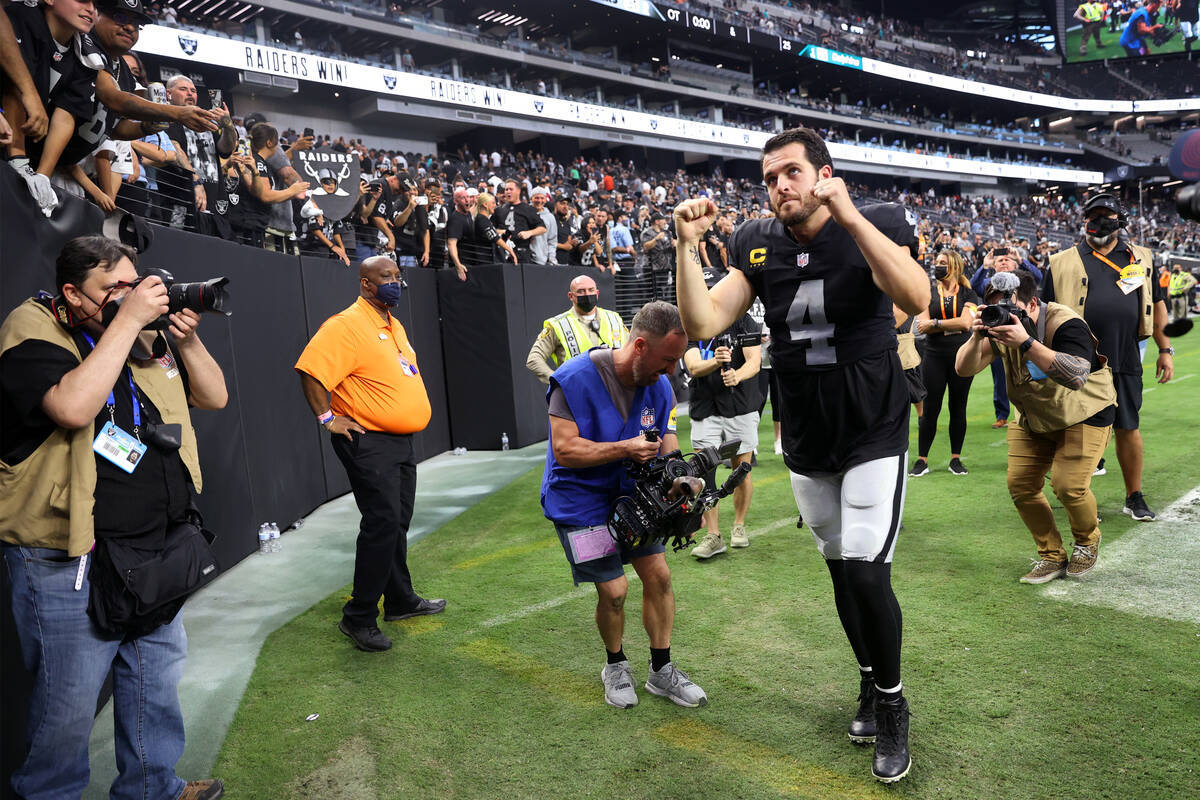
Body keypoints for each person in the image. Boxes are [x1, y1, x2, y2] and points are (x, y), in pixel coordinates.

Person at [672, 127, 929, 783]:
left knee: (870, 569)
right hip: (808, 435)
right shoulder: (756, 243)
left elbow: (916, 297)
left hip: (872, 423)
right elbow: (702, 324)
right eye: (768, 178)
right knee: (843, 572)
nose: (778, 186)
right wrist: (683, 247)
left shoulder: (873, 220)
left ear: (823, 174)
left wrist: (848, 215)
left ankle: (895, 708)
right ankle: (869, 680)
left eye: (789, 172)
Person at [0, 235, 228, 800]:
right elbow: (73, 407)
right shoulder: (33, 327)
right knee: (67, 709)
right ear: (73, 294)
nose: (130, 299)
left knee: (155, 683)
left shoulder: (137, 333)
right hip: (68, 553)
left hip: (153, 545)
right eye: (113, 291)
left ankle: (154, 788)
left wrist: (190, 341)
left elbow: (215, 396)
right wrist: (127, 321)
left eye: (133, 284)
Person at [540, 301, 708, 710]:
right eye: (666, 360)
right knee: (614, 590)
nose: (671, 371)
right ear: (638, 346)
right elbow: (564, 450)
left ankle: (661, 671)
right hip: (578, 500)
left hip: (632, 498)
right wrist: (624, 448)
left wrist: (682, 479)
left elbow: (668, 451)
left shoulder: (661, 386)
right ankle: (615, 665)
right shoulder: (574, 379)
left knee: (660, 575)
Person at [294, 257, 446, 652]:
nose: (395, 283)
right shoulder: (345, 324)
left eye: (398, 277)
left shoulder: (392, 323)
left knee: (397, 522)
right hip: (368, 440)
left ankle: (399, 599)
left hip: (398, 441)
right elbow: (310, 371)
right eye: (386, 278)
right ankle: (358, 617)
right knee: (383, 522)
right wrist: (328, 418)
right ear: (366, 284)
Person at [956, 271, 1116, 583]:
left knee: (1068, 485)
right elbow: (964, 369)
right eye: (992, 308)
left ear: (1032, 304)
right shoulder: (997, 327)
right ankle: (1051, 555)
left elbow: (1077, 376)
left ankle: (1087, 540)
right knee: (1021, 485)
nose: (1000, 316)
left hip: (1084, 410)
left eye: (1008, 308)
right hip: (1033, 414)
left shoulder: (1064, 322)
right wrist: (976, 336)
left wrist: (1027, 342)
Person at [1042, 192, 1173, 521]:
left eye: (1106, 214)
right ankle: (1080, 496)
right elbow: (1041, 313)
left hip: (1125, 353)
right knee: (1078, 429)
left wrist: (1165, 349)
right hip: (1077, 361)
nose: (1099, 220)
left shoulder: (1139, 258)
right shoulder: (1060, 262)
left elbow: (1157, 303)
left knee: (1129, 426)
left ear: (1120, 220)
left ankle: (1134, 496)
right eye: (1093, 214)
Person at [684, 314, 762, 558]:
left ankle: (739, 525)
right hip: (705, 406)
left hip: (740, 404)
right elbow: (694, 367)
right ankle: (713, 535)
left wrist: (737, 375)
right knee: (703, 472)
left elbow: (754, 361)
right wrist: (717, 362)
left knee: (741, 469)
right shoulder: (693, 321)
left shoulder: (744, 321)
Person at [910, 249, 979, 477]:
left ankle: (955, 459)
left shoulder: (969, 294)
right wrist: (949, 323)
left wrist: (936, 323)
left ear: (955, 267)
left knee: (958, 407)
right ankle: (922, 460)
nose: (937, 265)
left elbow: (965, 324)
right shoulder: (928, 292)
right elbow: (921, 325)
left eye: (943, 262)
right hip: (934, 355)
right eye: (937, 261)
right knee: (930, 409)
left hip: (962, 355)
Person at [526, 275, 628, 384]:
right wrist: (558, 383)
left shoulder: (614, 318)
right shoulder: (557, 325)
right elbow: (534, 359)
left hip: (615, 390)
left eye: (591, 290)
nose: (587, 294)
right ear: (571, 296)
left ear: (597, 293)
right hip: (579, 393)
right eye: (581, 291)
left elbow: (632, 350)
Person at [971, 247, 1021, 428]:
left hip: (1020, 331)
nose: (1004, 262)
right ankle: (1002, 415)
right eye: (1000, 260)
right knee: (1000, 377)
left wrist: (1022, 261)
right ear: (994, 265)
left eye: (1007, 259)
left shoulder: (1020, 280)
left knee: (1027, 374)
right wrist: (984, 266)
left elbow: (1038, 277)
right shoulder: (988, 282)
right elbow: (973, 285)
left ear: (1014, 263)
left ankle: (1026, 411)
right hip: (995, 333)